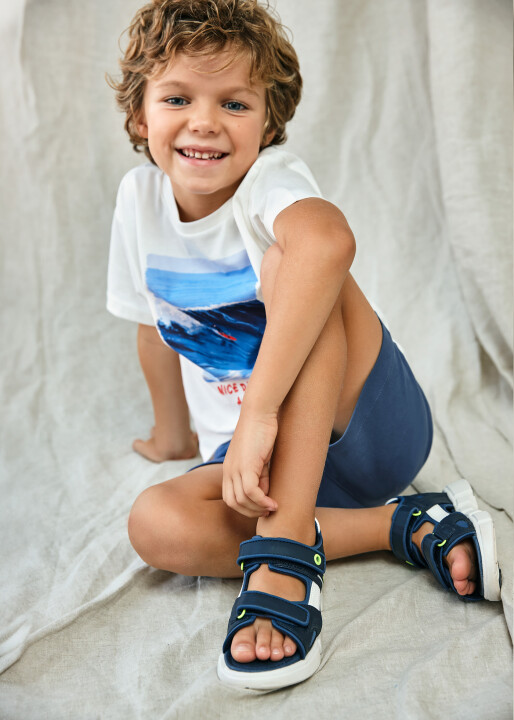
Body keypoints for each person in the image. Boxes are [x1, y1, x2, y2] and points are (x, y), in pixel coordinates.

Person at [106, 0, 502, 691]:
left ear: (267, 125)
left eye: (234, 103)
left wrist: (260, 413)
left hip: (365, 430)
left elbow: (328, 243)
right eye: (177, 98)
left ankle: (285, 551)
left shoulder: (270, 183)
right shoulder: (138, 202)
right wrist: (172, 435)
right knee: (155, 524)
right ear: (141, 116)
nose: (204, 121)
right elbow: (152, 325)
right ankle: (397, 527)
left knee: (294, 264)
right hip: (254, 470)